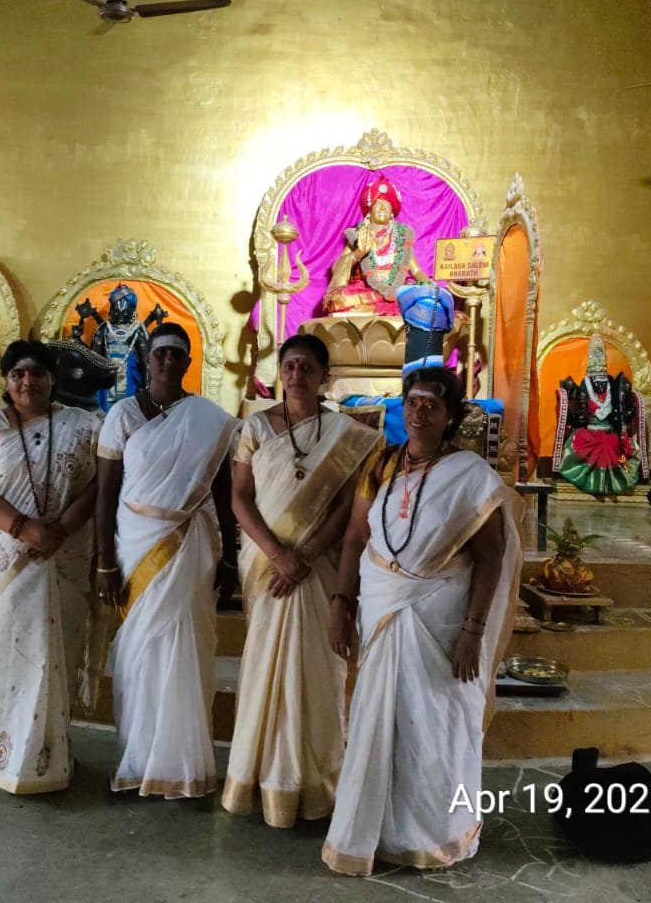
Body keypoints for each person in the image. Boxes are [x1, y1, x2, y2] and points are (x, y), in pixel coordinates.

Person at [323, 367, 522, 876]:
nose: (418, 412)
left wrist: (473, 632)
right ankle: (374, 831)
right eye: (412, 402)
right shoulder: (382, 464)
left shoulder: (470, 476)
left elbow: (491, 558)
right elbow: (355, 538)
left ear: (450, 415)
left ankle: (433, 836)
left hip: (442, 620)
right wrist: (341, 604)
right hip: (380, 608)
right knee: (378, 720)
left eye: (431, 405)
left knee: (436, 727)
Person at [222, 334, 381, 827]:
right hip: (266, 566)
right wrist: (278, 555)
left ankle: (313, 783)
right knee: (264, 667)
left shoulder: (346, 433)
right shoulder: (254, 427)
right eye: (289, 366)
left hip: (318, 565)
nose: (296, 375)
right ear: (280, 372)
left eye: (307, 367)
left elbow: (347, 506)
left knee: (315, 668)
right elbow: (239, 498)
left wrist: (306, 556)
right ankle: (256, 776)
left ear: (324, 376)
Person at [96, 323, 240, 798]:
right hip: (135, 545)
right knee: (139, 653)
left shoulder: (207, 419)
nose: (167, 361)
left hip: (191, 545)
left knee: (186, 649)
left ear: (187, 362)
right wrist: (104, 561)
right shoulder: (122, 415)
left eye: (177, 353)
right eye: (160, 353)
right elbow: (105, 493)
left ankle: (183, 766)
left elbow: (223, 491)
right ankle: (140, 759)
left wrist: (230, 556)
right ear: (147, 358)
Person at [0, 340, 100, 793]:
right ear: (7, 380)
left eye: (37, 372)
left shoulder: (84, 424)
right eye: (17, 373)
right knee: (4, 660)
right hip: (4, 565)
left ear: (53, 378)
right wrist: (23, 529)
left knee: (54, 659)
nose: (27, 381)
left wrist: (60, 529)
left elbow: (99, 485)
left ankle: (49, 757)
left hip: (62, 559)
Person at [553, 332, 649, 495]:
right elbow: (578, 415)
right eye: (596, 380)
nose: (600, 385)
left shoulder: (614, 389)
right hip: (588, 433)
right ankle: (587, 480)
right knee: (585, 447)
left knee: (615, 448)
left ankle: (616, 481)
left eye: (602, 380)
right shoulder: (584, 390)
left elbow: (621, 412)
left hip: (610, 433)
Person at [322, 175, 431, 316]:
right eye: (378, 204)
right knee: (339, 299)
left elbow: (415, 271)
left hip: (397, 289)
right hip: (366, 290)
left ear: (392, 212)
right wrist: (358, 253)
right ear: (368, 211)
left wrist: (430, 286)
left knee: (426, 298)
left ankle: (372, 310)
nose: (383, 208)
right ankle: (378, 309)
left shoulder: (402, 236)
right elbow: (336, 268)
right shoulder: (358, 235)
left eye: (387, 205)